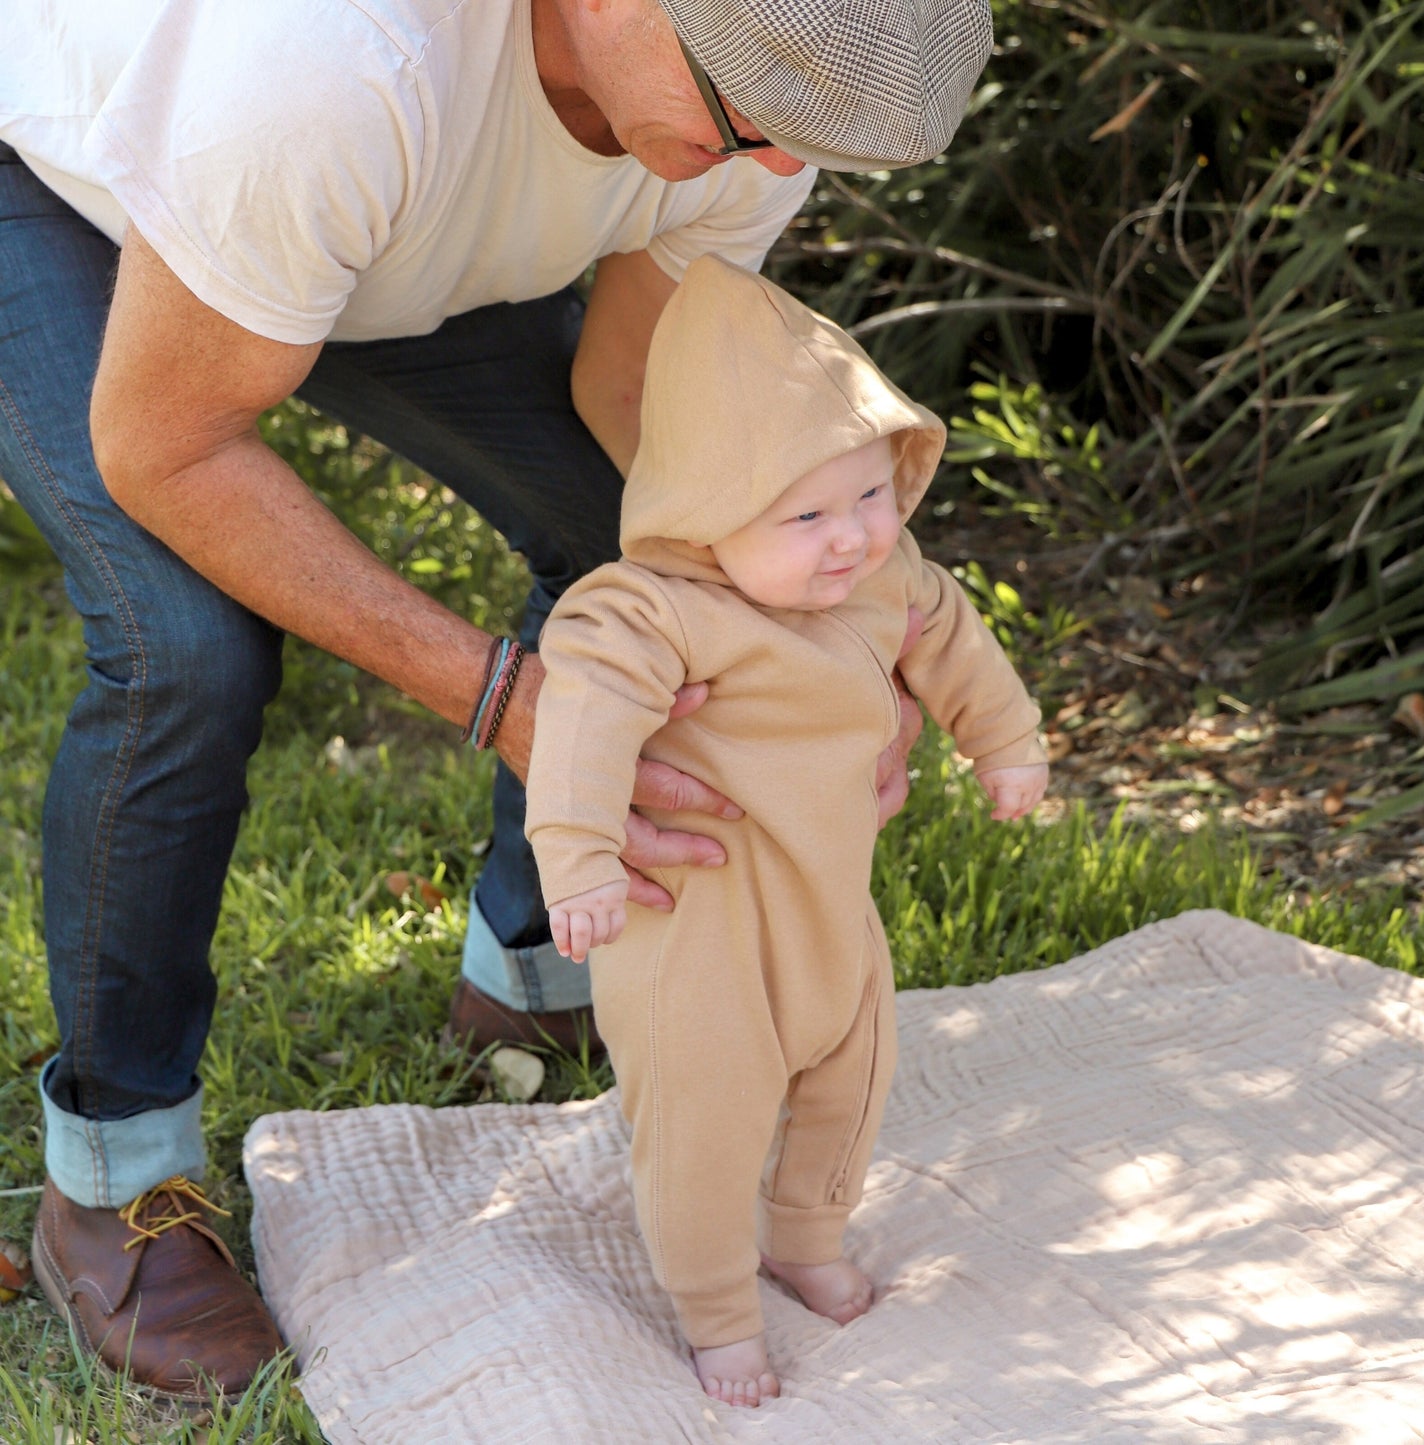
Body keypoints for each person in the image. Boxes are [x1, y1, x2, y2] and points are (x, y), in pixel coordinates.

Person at [0, 0, 996, 1402]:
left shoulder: (760, 95)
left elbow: (642, 408)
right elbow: (167, 449)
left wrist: (829, 631)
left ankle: (533, 978)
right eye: (741, 116)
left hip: (350, 230)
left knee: (634, 545)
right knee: (185, 647)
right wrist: (508, 700)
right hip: (66, 182)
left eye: (800, 138)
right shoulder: (333, 68)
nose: (772, 172)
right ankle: (114, 1184)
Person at [526, 254, 1049, 1407]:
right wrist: (578, 856)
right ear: (706, 511)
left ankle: (804, 1238)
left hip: (828, 908)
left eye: (869, 492)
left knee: (849, 1078)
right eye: (805, 513)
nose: (851, 536)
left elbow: (951, 633)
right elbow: (581, 720)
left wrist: (1001, 739)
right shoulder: (652, 608)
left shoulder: (876, 579)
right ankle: (714, 1308)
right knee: (703, 1129)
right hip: (693, 931)